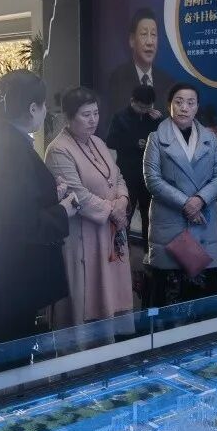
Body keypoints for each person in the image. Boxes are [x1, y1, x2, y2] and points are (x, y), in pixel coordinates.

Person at [0, 70, 79, 348]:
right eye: (44, 106)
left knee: (1, 352)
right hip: (8, 280)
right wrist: (63, 210)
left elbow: (8, 202)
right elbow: (22, 223)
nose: (45, 113)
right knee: (9, 357)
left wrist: (50, 193)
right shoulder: (9, 150)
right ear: (32, 108)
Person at [45, 87, 134, 334]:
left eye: (95, 113)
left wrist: (123, 200)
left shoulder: (98, 142)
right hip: (83, 235)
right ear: (68, 117)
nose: (93, 120)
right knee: (88, 293)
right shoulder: (59, 149)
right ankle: (83, 347)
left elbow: (117, 177)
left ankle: (112, 343)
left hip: (110, 232)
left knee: (113, 290)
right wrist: (113, 211)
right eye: (86, 115)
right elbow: (77, 195)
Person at [143, 83, 217, 305]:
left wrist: (199, 200)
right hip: (171, 221)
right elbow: (152, 180)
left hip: (202, 219)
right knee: (168, 293)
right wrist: (186, 203)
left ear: (197, 107)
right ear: (169, 105)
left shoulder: (210, 139)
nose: (184, 108)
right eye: (178, 102)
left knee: (204, 296)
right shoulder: (156, 138)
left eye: (190, 103)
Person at [105, 84, 161, 247]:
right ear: (132, 101)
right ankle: (121, 250)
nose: (144, 111)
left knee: (149, 216)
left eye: (148, 107)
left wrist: (160, 120)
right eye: (141, 107)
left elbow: (162, 140)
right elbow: (111, 141)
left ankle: (149, 252)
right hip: (127, 173)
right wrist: (135, 143)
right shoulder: (120, 117)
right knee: (125, 214)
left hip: (149, 174)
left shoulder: (153, 117)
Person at [105, 8, 172, 122]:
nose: (150, 42)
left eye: (154, 35)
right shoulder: (117, 79)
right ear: (132, 40)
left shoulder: (167, 82)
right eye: (144, 34)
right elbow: (113, 121)